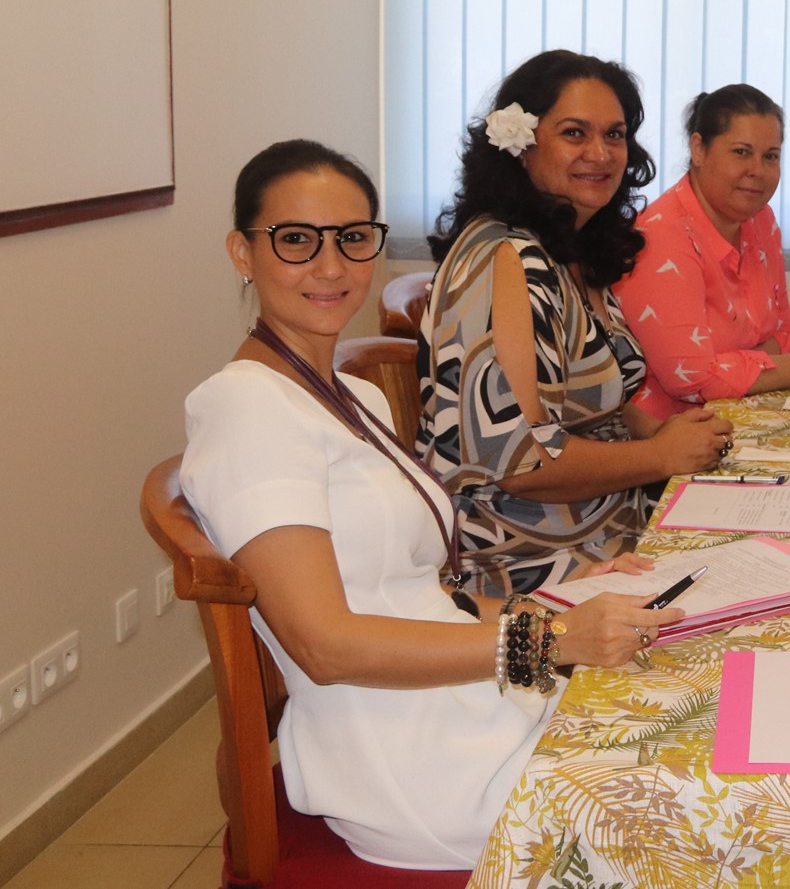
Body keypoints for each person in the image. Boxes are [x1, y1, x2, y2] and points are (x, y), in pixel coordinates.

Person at [181, 140, 682, 869]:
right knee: (703, 802)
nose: (331, 266)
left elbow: (419, 589)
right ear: (242, 252)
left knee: (692, 713)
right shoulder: (246, 408)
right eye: (296, 240)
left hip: (468, 701)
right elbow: (324, 646)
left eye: (353, 238)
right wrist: (549, 639)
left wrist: (565, 597)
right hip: (411, 762)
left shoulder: (348, 393)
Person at [419, 51, 733, 596]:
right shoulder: (504, 258)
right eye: (574, 133)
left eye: (615, 135)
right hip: (524, 564)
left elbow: (595, 402)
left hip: (607, 530)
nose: (601, 153)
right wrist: (660, 455)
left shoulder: (568, 248)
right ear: (521, 145)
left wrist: (664, 433)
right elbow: (520, 464)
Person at [613, 84, 790, 418]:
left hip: (746, 415)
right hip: (670, 432)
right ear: (699, 149)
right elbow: (691, 380)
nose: (757, 170)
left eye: (770, 156)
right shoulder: (660, 236)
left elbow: (784, 332)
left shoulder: (761, 220)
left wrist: (731, 368)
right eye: (741, 152)